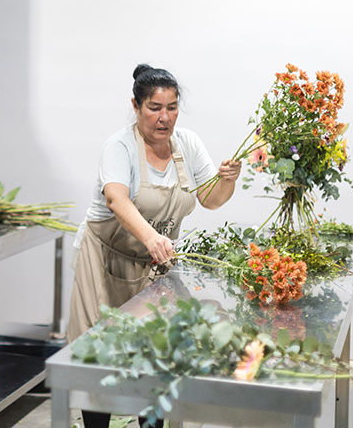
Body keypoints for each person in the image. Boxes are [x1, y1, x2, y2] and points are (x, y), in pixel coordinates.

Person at [67, 64, 241, 428]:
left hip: (154, 268)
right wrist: (153, 238)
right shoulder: (119, 147)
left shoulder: (187, 145)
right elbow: (117, 200)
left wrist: (228, 181)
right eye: (155, 108)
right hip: (105, 263)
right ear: (136, 105)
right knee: (98, 358)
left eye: (172, 107)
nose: (164, 118)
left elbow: (210, 199)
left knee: (157, 354)